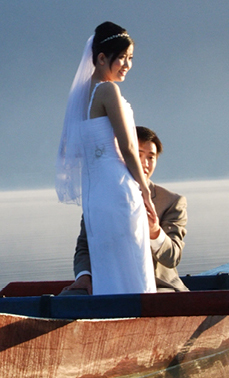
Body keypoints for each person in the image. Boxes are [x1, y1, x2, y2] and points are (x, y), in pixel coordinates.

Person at [55, 21, 156, 294]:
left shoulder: (80, 94)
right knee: (133, 262)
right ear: (101, 58)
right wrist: (145, 189)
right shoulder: (107, 90)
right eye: (121, 57)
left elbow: (70, 150)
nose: (127, 64)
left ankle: (109, 314)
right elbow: (128, 147)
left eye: (130, 58)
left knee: (107, 264)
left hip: (95, 196)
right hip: (118, 189)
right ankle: (139, 313)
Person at [63, 126, 188, 294]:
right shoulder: (98, 198)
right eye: (138, 154)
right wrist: (84, 277)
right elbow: (84, 247)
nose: (144, 163)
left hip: (159, 288)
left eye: (150, 157)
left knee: (155, 302)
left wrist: (155, 232)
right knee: (68, 298)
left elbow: (173, 257)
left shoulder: (172, 202)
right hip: (106, 284)